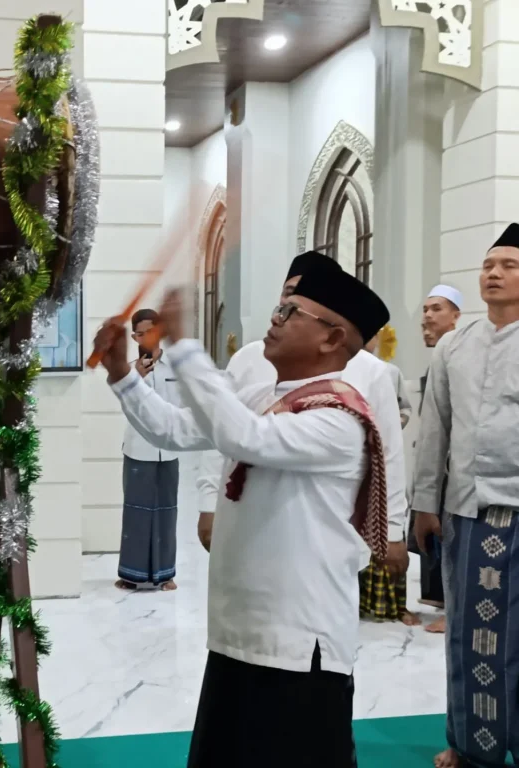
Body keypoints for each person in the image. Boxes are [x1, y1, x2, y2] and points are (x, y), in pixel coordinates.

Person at [95, 267, 391, 768]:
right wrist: (123, 374)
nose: (273, 321)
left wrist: (185, 344)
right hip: (240, 634)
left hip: (300, 645)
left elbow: (245, 438)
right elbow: (174, 429)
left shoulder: (340, 418)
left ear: (333, 338)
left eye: (289, 313)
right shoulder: (264, 398)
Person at [195, 252, 411, 623]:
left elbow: (388, 451)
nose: (284, 308)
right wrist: (207, 502)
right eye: (286, 297)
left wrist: (392, 529)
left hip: (321, 530)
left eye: (296, 301)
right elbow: (219, 432)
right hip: (251, 522)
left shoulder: (371, 374)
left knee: (315, 613)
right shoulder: (250, 358)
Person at [413, 224, 519, 768]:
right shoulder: (455, 344)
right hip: (470, 513)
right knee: (470, 636)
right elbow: (435, 429)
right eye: (488, 265)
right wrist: (424, 504)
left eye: (509, 265)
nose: (494, 273)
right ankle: (471, 745)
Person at [116, 309, 182, 591]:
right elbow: (126, 407)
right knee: (136, 512)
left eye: (150, 332)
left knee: (167, 511)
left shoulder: (176, 368)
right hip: (138, 449)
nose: (146, 338)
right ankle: (131, 575)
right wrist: (138, 379)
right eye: (140, 333)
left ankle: (165, 575)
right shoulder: (129, 371)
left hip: (168, 450)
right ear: (134, 337)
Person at [413, 285, 462, 636]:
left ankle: (454, 608)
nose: (428, 316)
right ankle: (443, 603)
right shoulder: (439, 357)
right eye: (426, 310)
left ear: (456, 315)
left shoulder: (462, 356)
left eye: (437, 309)